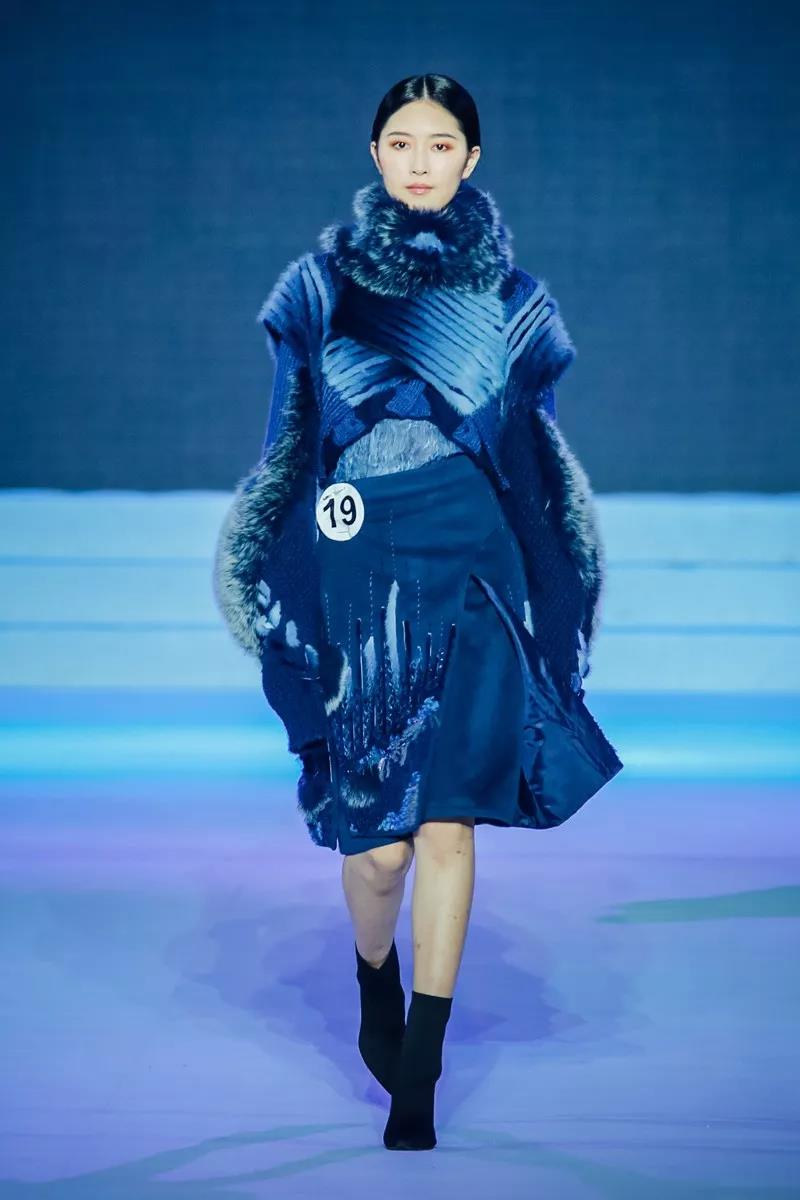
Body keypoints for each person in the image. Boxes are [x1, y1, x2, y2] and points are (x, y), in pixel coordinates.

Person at [213, 73, 624, 1152]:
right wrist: (287, 586)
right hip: (362, 566)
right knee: (380, 850)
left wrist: (553, 600)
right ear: (375, 153)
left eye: (440, 144)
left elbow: (533, 460)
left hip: (476, 569)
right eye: (401, 142)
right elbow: (289, 450)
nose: (419, 161)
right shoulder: (318, 292)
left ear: (470, 159)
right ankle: (372, 974)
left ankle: (421, 1074)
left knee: (448, 821)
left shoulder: (513, 304)